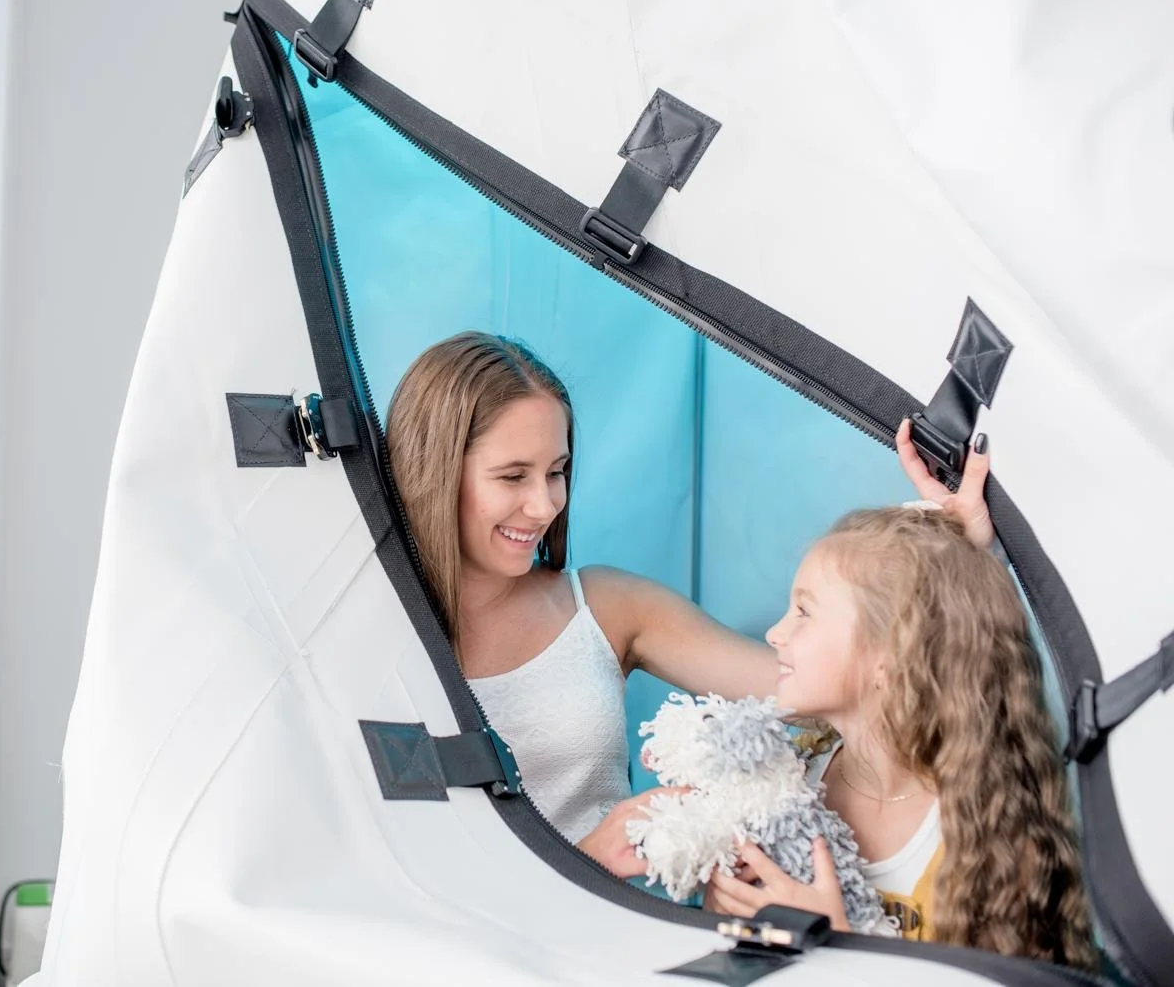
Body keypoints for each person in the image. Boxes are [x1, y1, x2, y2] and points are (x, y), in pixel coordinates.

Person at [383, 331, 992, 875]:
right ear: (435, 473)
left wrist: (948, 553)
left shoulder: (606, 606)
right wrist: (587, 859)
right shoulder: (369, 632)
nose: (545, 505)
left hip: (623, 938)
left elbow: (825, 691)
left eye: (557, 471)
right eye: (513, 476)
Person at [702, 507, 1096, 968]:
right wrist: (723, 904)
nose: (774, 633)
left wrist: (838, 946)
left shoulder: (986, 825)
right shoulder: (787, 781)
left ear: (891, 654)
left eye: (804, 612)